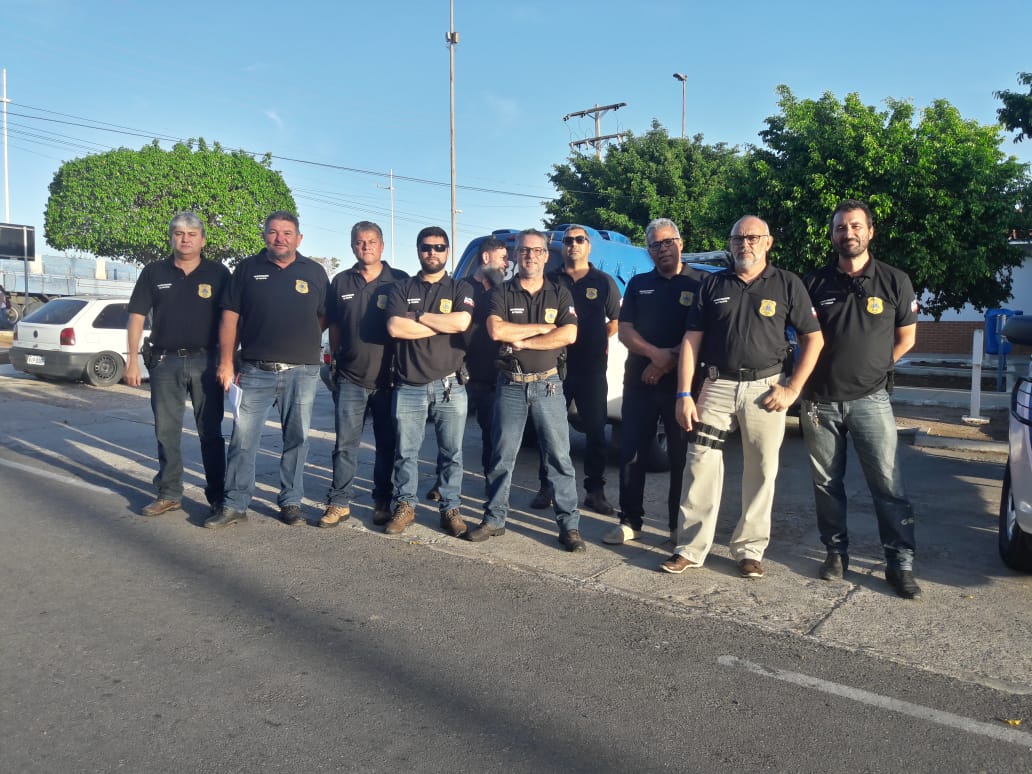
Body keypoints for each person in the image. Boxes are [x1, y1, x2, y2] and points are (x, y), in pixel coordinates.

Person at [663, 215, 824, 577]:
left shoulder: (788, 284)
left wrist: (793, 388)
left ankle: (749, 550)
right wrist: (684, 392)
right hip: (716, 387)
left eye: (752, 238)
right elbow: (691, 340)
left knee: (762, 470)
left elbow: (813, 338)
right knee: (700, 464)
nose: (744, 244)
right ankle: (690, 548)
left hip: (765, 390)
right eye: (738, 238)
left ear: (768, 242)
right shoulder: (713, 284)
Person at [801, 200, 921, 598]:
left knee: (888, 484)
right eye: (840, 227)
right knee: (826, 484)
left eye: (855, 226)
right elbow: (800, 336)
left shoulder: (894, 280)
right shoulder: (814, 283)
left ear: (870, 231)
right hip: (819, 402)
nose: (847, 233)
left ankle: (899, 562)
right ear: (832, 235)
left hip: (872, 400)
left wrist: (876, 369)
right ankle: (835, 553)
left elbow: (907, 338)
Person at [204, 211, 327, 529]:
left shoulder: (314, 272)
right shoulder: (247, 269)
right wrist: (226, 361)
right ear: (264, 236)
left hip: (302, 372)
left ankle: (291, 502)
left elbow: (323, 316)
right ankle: (235, 504)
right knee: (243, 439)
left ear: (299, 238)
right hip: (255, 371)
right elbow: (230, 317)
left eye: (287, 233)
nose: (280, 238)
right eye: (273, 232)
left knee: (297, 439)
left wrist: (303, 343)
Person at [467, 228, 585, 553]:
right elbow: (496, 330)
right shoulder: (502, 292)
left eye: (536, 250)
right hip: (510, 385)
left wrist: (524, 341)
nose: (530, 256)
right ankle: (494, 519)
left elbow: (569, 335)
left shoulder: (559, 293)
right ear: (516, 255)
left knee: (559, 458)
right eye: (523, 250)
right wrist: (545, 328)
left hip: (549, 385)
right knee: (501, 456)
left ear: (546, 256)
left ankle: (569, 526)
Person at [603, 218, 702, 546]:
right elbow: (625, 330)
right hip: (639, 384)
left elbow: (703, 334)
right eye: (655, 245)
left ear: (680, 243)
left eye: (668, 242)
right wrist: (655, 355)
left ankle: (677, 527)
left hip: (683, 388)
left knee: (681, 458)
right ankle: (630, 522)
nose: (662, 249)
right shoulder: (638, 284)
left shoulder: (701, 283)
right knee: (632, 454)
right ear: (648, 251)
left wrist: (664, 363)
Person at [125, 212, 230, 517]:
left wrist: (228, 361)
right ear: (171, 238)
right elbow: (136, 316)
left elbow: (231, 318)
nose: (185, 239)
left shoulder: (219, 273)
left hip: (206, 362)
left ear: (203, 240)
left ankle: (218, 497)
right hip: (164, 361)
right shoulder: (153, 272)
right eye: (179, 233)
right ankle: (169, 493)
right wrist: (132, 360)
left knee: (210, 432)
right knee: (166, 431)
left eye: (192, 234)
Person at [384, 227, 474, 537]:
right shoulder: (401, 287)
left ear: (447, 251)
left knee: (452, 453)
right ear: (418, 250)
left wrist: (419, 315)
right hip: (409, 385)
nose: (432, 252)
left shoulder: (461, 287)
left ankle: (450, 508)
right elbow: (395, 328)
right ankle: (405, 506)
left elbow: (462, 322)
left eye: (438, 247)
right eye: (426, 247)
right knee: (405, 452)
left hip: (450, 386)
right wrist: (441, 324)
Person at [320, 221, 409, 529]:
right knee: (345, 445)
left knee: (386, 446)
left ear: (381, 245)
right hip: (350, 377)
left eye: (371, 241)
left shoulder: (399, 280)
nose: (366, 246)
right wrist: (334, 360)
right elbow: (334, 324)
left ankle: (382, 502)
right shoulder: (341, 281)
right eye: (359, 242)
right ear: (352, 247)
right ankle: (339, 502)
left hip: (389, 380)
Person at [529, 225, 621, 515]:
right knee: (550, 432)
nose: (573, 245)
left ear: (588, 246)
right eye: (568, 240)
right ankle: (547, 487)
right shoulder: (551, 280)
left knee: (596, 432)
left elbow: (616, 320)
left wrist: (596, 339)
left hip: (591, 370)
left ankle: (595, 491)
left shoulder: (603, 281)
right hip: (554, 367)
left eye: (580, 240)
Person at [463, 236, 510, 487]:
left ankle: (491, 485)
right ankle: (442, 484)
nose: (507, 263)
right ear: (485, 257)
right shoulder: (460, 288)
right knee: (449, 436)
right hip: (461, 374)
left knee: (492, 435)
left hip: (493, 376)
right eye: (503, 258)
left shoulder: (504, 292)